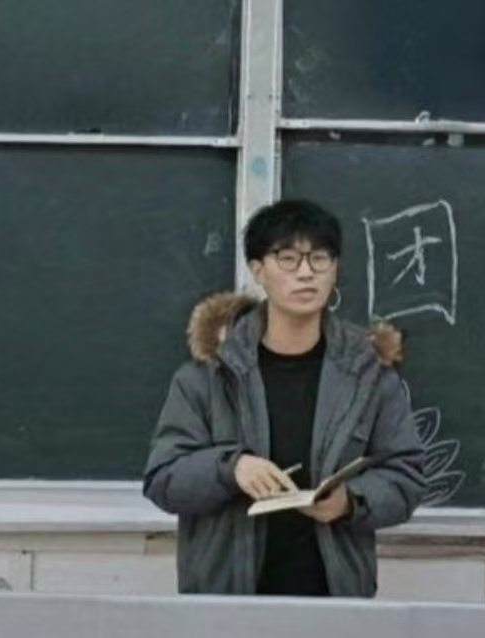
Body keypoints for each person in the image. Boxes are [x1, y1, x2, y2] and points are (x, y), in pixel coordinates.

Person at [142, 199, 425, 597]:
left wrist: (350, 501)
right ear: (258, 270)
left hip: (334, 601)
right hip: (227, 602)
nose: (306, 273)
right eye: (288, 258)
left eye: (319, 258)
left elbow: (406, 476)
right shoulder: (207, 377)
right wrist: (230, 469)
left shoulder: (369, 376)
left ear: (335, 268)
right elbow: (163, 478)